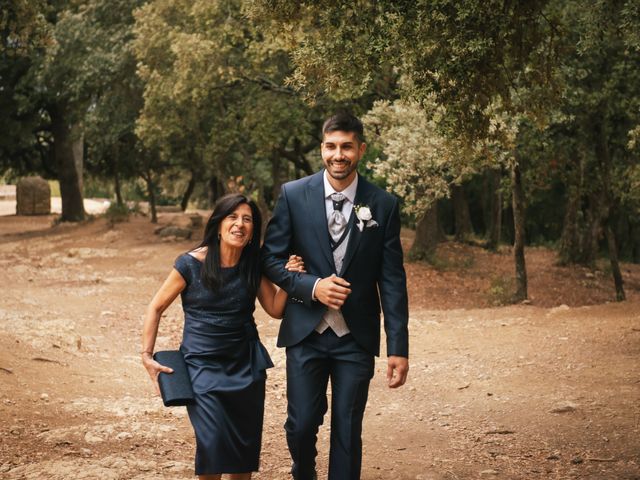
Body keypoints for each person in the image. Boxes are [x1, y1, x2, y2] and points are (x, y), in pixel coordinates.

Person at [262, 112, 410, 480]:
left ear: (360, 149)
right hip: (305, 334)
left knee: (347, 429)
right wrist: (311, 285)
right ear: (321, 149)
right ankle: (304, 469)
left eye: (346, 147)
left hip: (355, 337)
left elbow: (392, 280)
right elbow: (269, 258)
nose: (338, 154)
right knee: (300, 424)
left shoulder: (383, 204)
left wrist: (398, 347)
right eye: (331, 146)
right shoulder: (294, 195)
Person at [141, 193, 304, 480]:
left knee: (242, 455)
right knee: (212, 448)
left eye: (247, 219)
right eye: (232, 217)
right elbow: (155, 306)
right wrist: (146, 355)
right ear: (218, 224)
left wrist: (291, 280)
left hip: (246, 368)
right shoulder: (190, 263)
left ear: (253, 229)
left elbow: (276, 309)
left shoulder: (253, 263)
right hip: (201, 367)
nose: (239, 224)